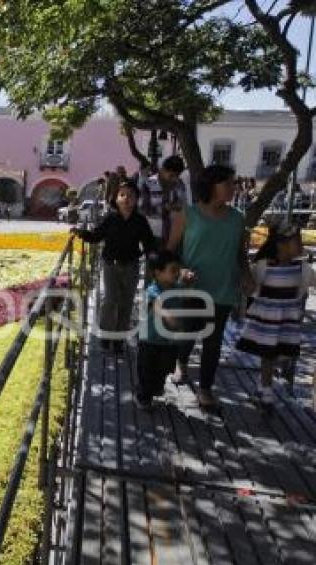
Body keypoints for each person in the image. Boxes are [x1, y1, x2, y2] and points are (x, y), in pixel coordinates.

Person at [167, 164, 255, 409]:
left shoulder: (238, 218)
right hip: (192, 287)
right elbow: (170, 251)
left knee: (213, 341)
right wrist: (180, 271)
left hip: (224, 289)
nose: (233, 187)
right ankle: (181, 363)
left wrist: (247, 276)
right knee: (188, 332)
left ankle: (205, 389)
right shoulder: (188, 214)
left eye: (233, 182)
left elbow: (240, 254)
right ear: (211, 186)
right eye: (228, 182)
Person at [235, 224, 316, 409]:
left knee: (276, 356)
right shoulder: (264, 266)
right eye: (298, 241)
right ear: (281, 244)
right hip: (267, 322)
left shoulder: (302, 268)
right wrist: (246, 283)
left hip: (285, 322)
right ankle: (266, 390)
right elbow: (249, 287)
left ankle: (264, 387)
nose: (302, 245)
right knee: (268, 356)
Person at [72, 180, 156, 354]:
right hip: (111, 265)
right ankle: (106, 337)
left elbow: (148, 242)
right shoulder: (110, 218)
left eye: (130, 195)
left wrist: (154, 258)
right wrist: (81, 233)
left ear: (136, 199)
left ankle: (119, 340)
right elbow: (96, 236)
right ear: (116, 198)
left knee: (126, 302)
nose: (126, 199)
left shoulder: (140, 220)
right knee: (110, 301)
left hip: (131, 266)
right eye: (122, 195)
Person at [136, 250, 184, 409]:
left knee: (164, 368)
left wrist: (189, 281)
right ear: (158, 272)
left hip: (169, 341)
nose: (177, 273)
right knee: (147, 369)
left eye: (178, 270)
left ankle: (157, 385)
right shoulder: (153, 290)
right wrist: (167, 316)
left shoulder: (177, 288)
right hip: (150, 340)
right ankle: (144, 397)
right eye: (173, 270)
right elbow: (157, 305)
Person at [140, 155, 190, 247]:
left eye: (177, 175)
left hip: (174, 233)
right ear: (162, 170)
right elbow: (143, 209)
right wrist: (163, 208)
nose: (174, 178)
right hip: (154, 234)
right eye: (171, 175)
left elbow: (183, 203)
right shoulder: (149, 183)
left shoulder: (179, 183)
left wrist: (179, 206)